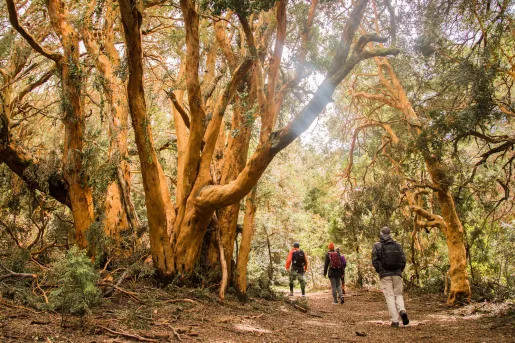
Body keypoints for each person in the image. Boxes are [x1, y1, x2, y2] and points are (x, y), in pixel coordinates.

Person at [372, 226, 410, 327]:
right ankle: (402, 310)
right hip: (397, 273)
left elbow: (374, 261)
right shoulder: (397, 245)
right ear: (390, 234)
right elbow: (403, 260)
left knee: (389, 296)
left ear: (381, 234)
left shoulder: (377, 246)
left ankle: (395, 321)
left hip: (385, 275)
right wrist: (399, 271)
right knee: (398, 294)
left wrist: (380, 271)